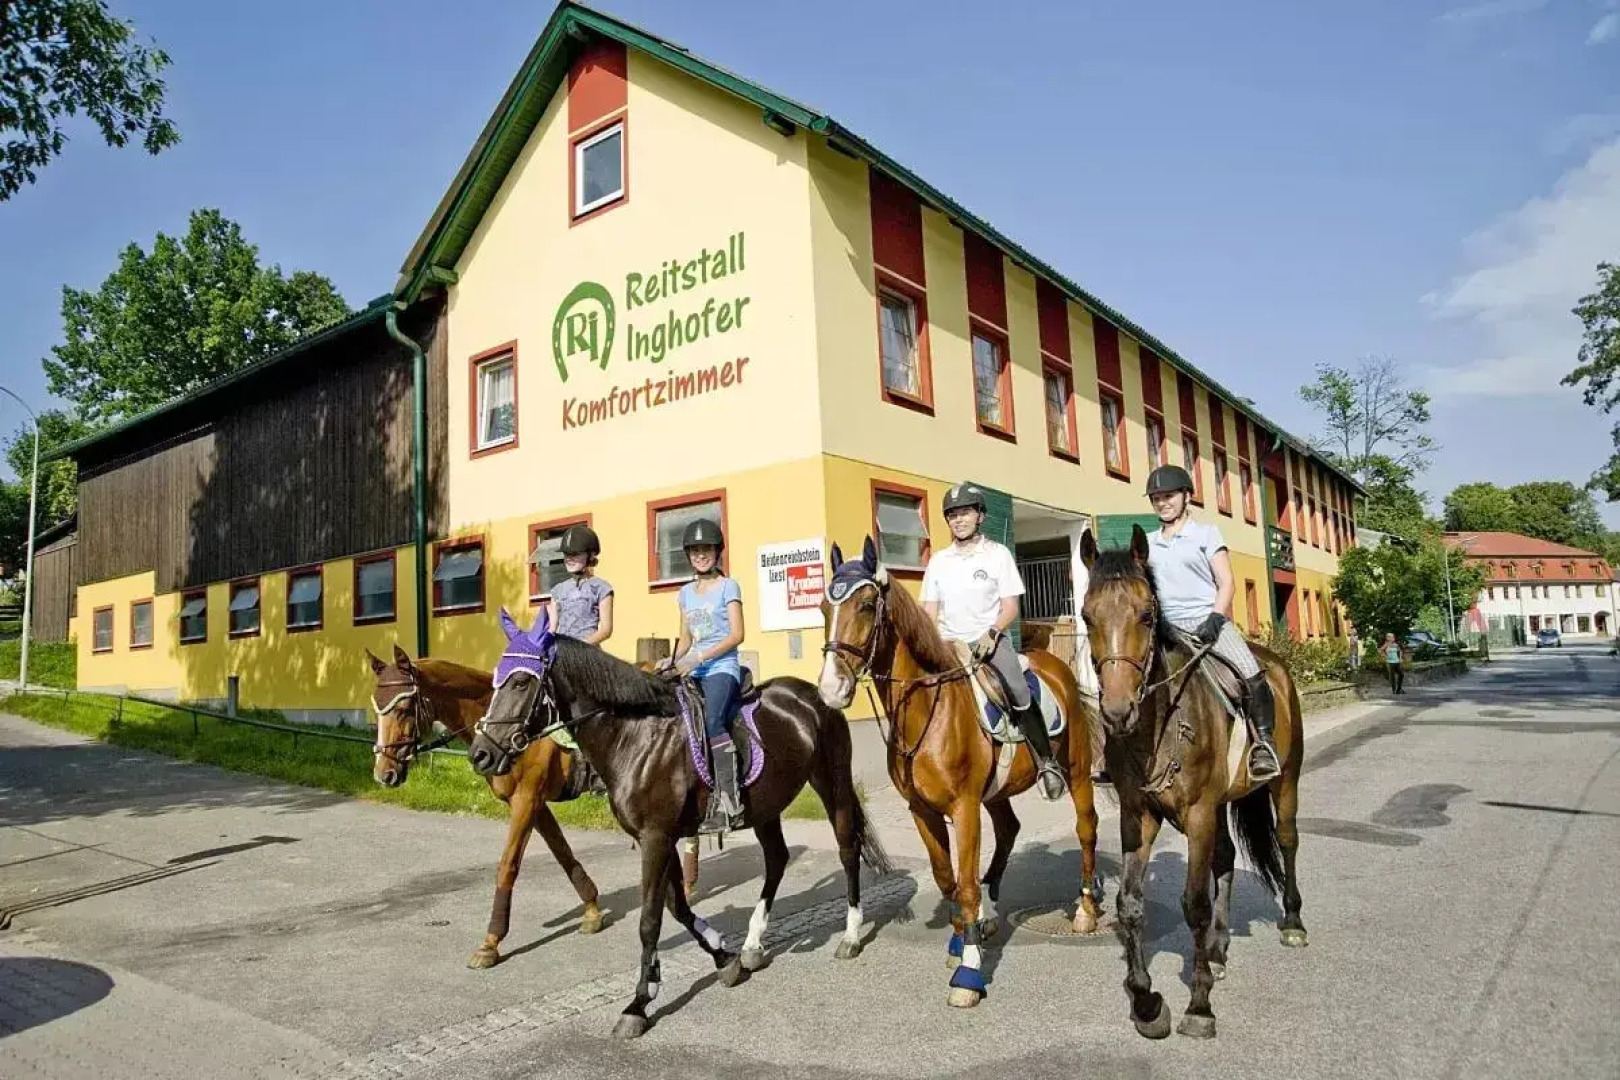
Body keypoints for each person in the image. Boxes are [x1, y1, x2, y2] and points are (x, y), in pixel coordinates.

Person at [922, 482, 1066, 801]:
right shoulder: (938, 562)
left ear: (980, 516)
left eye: (965, 513)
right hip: (949, 646)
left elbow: (1011, 606)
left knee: (1016, 686)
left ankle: (1046, 762)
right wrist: (931, 645)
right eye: (952, 515)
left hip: (989, 640)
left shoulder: (998, 555)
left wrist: (992, 633)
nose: (958, 520)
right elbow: (929, 612)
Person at [1142, 465, 1281, 782]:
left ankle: (1263, 744)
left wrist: (1216, 619)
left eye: (1169, 496)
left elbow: (1227, 582)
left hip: (1207, 620)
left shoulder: (1206, 534)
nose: (1163, 503)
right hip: (1165, 627)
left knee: (1250, 671)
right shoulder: (1148, 542)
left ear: (1187, 496)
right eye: (1157, 498)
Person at [661, 519, 747, 831]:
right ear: (688, 555)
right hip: (693, 667)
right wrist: (672, 660)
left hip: (722, 667)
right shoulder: (685, 593)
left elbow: (737, 634)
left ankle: (729, 800)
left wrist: (699, 657)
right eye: (695, 551)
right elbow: (685, 637)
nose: (701, 555)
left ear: (716, 552)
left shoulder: (729, 586)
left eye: (706, 550)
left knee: (712, 720)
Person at [542, 524, 613, 645]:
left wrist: (579, 648)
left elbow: (606, 630)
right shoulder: (557, 590)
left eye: (575, 554)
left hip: (588, 652)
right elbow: (552, 628)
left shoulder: (602, 588)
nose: (569, 559)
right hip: (562, 652)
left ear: (590, 555)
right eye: (566, 554)